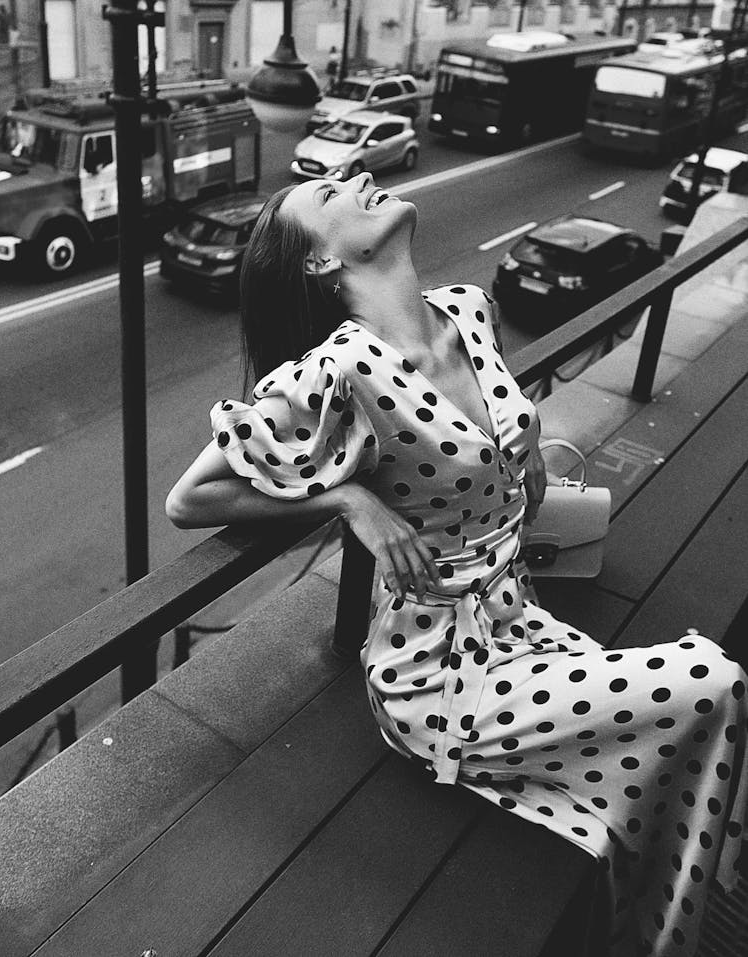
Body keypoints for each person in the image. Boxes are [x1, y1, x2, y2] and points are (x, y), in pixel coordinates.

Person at [167, 172, 748, 957]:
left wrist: (529, 444)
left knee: (666, 751)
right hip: (441, 675)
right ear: (318, 265)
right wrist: (348, 503)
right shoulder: (339, 372)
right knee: (715, 683)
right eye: (332, 192)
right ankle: (662, 936)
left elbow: (488, 433)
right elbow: (191, 497)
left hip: (521, 618)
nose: (362, 179)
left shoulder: (469, 311)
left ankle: (652, 920)